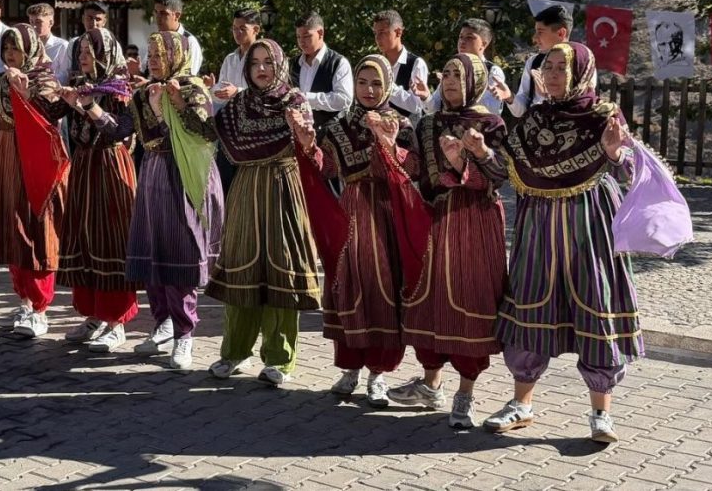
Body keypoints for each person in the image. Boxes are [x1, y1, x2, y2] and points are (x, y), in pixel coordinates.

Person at [485, 41, 640, 444]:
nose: (552, 74)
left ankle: (601, 414)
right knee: (532, 299)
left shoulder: (603, 116)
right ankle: (522, 403)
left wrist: (613, 153)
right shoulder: (536, 118)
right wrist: (479, 150)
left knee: (593, 302)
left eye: (560, 67)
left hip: (590, 223)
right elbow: (510, 166)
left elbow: (630, 170)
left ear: (581, 73)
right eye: (547, 66)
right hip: (539, 224)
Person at [388, 52, 509, 429]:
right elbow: (419, 169)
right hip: (435, 218)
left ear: (475, 80)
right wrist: (391, 145)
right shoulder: (428, 124)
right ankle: (430, 384)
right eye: (449, 75)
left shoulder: (490, 123)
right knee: (430, 298)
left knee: (470, 300)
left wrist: (470, 158)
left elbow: (501, 175)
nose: (452, 81)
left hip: (474, 219)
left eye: (460, 75)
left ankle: (466, 393)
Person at [292, 54, 419, 405]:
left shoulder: (400, 125)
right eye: (362, 82)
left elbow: (416, 169)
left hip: (386, 216)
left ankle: (379, 374)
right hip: (349, 213)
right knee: (348, 286)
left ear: (388, 86)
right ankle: (350, 367)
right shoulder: (338, 127)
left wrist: (389, 143)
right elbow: (328, 168)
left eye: (376, 83)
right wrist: (308, 145)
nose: (368, 89)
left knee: (383, 290)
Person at [206, 38, 321, 386]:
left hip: (284, 187)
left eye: (267, 62)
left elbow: (309, 147)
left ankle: (279, 359)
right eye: (254, 62)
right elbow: (212, 131)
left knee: (281, 271)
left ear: (280, 65)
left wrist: (304, 137)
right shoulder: (239, 103)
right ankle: (233, 352)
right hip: (246, 188)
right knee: (242, 268)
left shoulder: (295, 100)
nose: (260, 69)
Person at [126, 31, 224, 369]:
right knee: (155, 248)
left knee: (181, 249)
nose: (152, 60)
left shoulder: (192, 88)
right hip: (155, 173)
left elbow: (205, 133)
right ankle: (163, 322)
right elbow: (147, 137)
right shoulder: (144, 91)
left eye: (159, 54)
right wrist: (150, 104)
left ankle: (185, 334)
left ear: (177, 55)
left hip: (185, 176)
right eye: (150, 54)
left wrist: (172, 106)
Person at [0, 24, 69, 338]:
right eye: (6, 49)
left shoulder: (44, 80)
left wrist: (24, 95)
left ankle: (40, 307)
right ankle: (24, 302)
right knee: (13, 229)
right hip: (5, 157)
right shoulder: (0, 80)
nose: (10, 55)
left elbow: (48, 116)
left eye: (16, 49)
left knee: (36, 230)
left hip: (34, 160)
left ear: (31, 49)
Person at [57, 28, 139, 352]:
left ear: (105, 54)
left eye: (89, 53)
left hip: (109, 167)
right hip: (84, 167)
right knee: (84, 236)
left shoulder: (119, 89)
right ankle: (92, 314)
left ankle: (116, 321)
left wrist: (88, 105)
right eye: (80, 53)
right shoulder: (84, 86)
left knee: (110, 238)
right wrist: (69, 102)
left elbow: (118, 132)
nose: (83, 58)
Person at [205, 8, 261, 194]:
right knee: (226, 184)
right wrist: (209, 89)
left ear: (256, 30)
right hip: (230, 131)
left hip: (255, 131)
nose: (237, 33)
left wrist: (237, 91)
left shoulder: (265, 58)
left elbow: (269, 94)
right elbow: (221, 93)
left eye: (242, 29)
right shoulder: (230, 59)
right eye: (234, 28)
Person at [489, 5, 572, 118]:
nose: (534, 38)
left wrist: (548, 96)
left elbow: (580, 108)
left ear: (561, 33)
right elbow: (522, 111)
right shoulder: (534, 62)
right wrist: (509, 97)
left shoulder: (581, 64)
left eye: (540, 32)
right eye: (548, 67)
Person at [423, 19, 507, 115]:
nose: (462, 41)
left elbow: (493, 110)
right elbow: (434, 109)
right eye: (461, 37)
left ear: (484, 44)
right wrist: (425, 96)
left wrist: (463, 88)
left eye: (469, 37)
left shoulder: (492, 71)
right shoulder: (452, 68)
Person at [290, 12, 352, 134]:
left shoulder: (339, 62)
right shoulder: (292, 64)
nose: (302, 42)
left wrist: (305, 98)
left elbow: (344, 99)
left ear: (320, 33)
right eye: (298, 37)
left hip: (331, 136)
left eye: (306, 36)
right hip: (299, 136)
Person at [372, 10, 430, 122]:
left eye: (382, 32)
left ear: (398, 32)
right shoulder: (376, 63)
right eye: (375, 33)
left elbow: (416, 106)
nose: (377, 38)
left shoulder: (416, 63)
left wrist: (388, 86)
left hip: (406, 132)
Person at [147, 0, 204, 75]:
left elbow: (188, 76)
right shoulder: (156, 40)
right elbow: (147, 71)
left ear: (177, 16)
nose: (158, 17)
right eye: (156, 12)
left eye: (163, 13)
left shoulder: (189, 42)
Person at [28, 3, 71, 85]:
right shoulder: (28, 45)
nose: (34, 26)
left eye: (38, 22)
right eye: (31, 22)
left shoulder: (62, 46)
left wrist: (44, 79)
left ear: (51, 22)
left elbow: (65, 76)